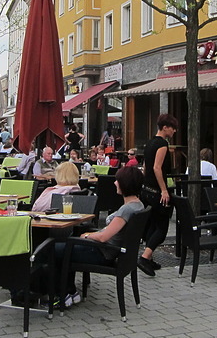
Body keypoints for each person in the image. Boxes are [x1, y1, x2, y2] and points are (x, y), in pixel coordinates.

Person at [57, 166, 145, 305]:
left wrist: (87, 236)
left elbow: (104, 237)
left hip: (102, 252)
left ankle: (62, 294)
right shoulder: (138, 206)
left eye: (118, 180)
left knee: (55, 249)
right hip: (111, 251)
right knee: (64, 246)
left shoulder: (127, 210)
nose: (115, 183)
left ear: (125, 184)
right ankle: (70, 291)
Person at [138, 113, 178, 277]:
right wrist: (163, 190)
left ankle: (150, 257)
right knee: (161, 228)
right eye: (173, 128)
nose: (174, 131)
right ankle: (145, 257)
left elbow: (146, 167)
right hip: (156, 191)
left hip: (146, 190)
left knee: (151, 225)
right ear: (166, 127)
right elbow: (156, 168)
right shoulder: (162, 144)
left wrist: (144, 184)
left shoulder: (149, 143)